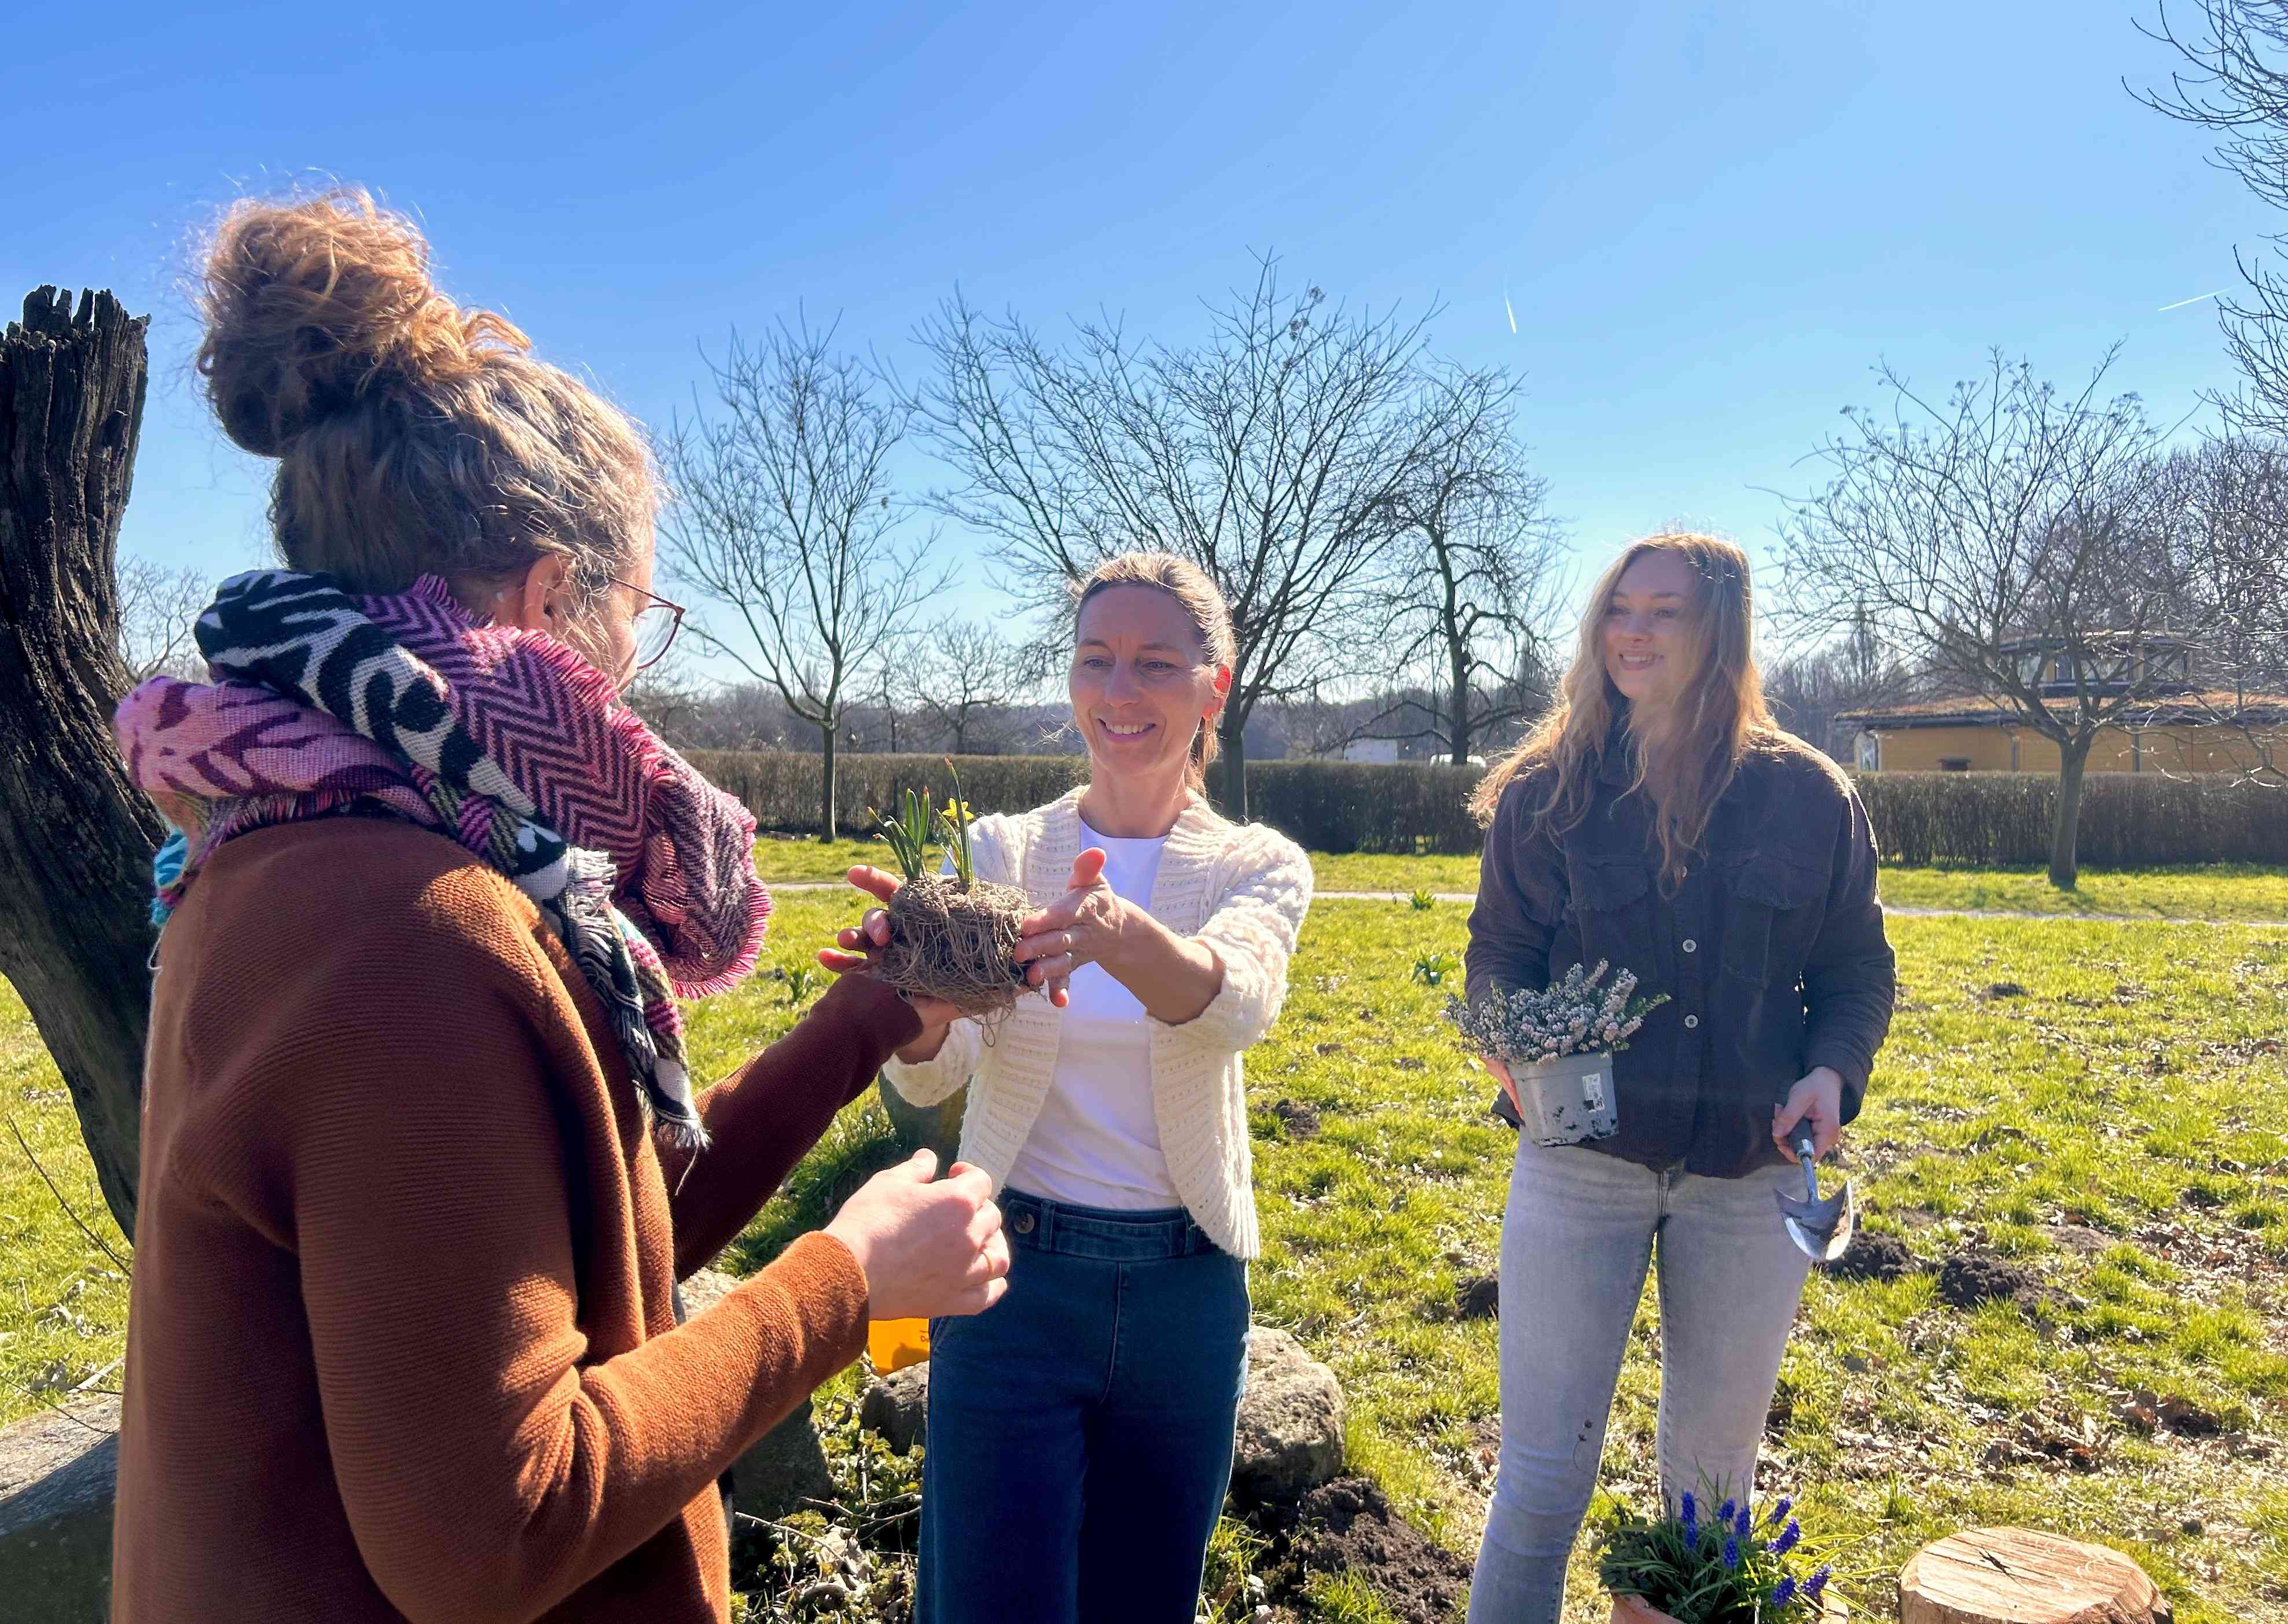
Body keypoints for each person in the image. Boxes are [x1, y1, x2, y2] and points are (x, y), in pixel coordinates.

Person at [107, 190, 1009, 1624]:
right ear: (549, 597)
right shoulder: (408, 925)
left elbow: (589, 1258)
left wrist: (871, 1019)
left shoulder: (301, 829)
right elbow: (495, 1528)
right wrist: (845, 1280)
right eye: (643, 611)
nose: (639, 671)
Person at [828, 552, 1312, 1624]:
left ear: (1212, 685)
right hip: (1010, 1274)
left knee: (1144, 1599)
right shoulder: (1001, 849)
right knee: (988, 1600)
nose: (1119, 691)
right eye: (1095, 661)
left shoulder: (1255, 863)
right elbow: (933, 1079)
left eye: (1153, 663)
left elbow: (1234, 1002)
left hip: (1186, 1287)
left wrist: (1113, 933)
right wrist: (914, 1010)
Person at [1459, 533, 1896, 1622]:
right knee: (1541, 1479)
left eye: (1665, 611)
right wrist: (1508, 1046)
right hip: (1579, 1166)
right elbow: (1498, 953)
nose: (1634, 631)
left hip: (1752, 1176)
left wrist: (1834, 1073)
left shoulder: (1809, 795)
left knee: (1710, 1488)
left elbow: (1856, 970)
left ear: (1723, 632)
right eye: (1619, 608)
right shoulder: (1543, 793)